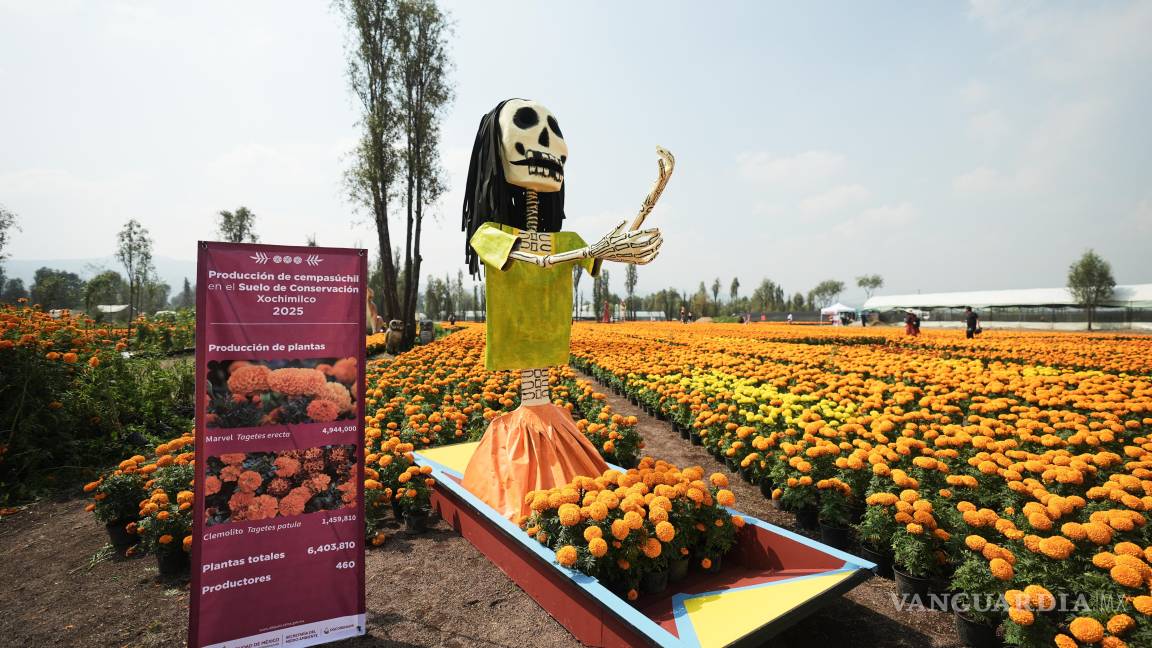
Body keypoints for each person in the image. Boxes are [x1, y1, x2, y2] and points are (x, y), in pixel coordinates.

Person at [459, 98, 666, 520]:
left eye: (554, 132)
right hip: (518, 338)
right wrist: (580, 253)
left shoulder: (565, 239)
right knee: (531, 400)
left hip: (548, 340)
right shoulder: (490, 233)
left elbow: (597, 250)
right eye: (528, 127)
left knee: (546, 403)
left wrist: (650, 200)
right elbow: (527, 258)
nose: (551, 146)